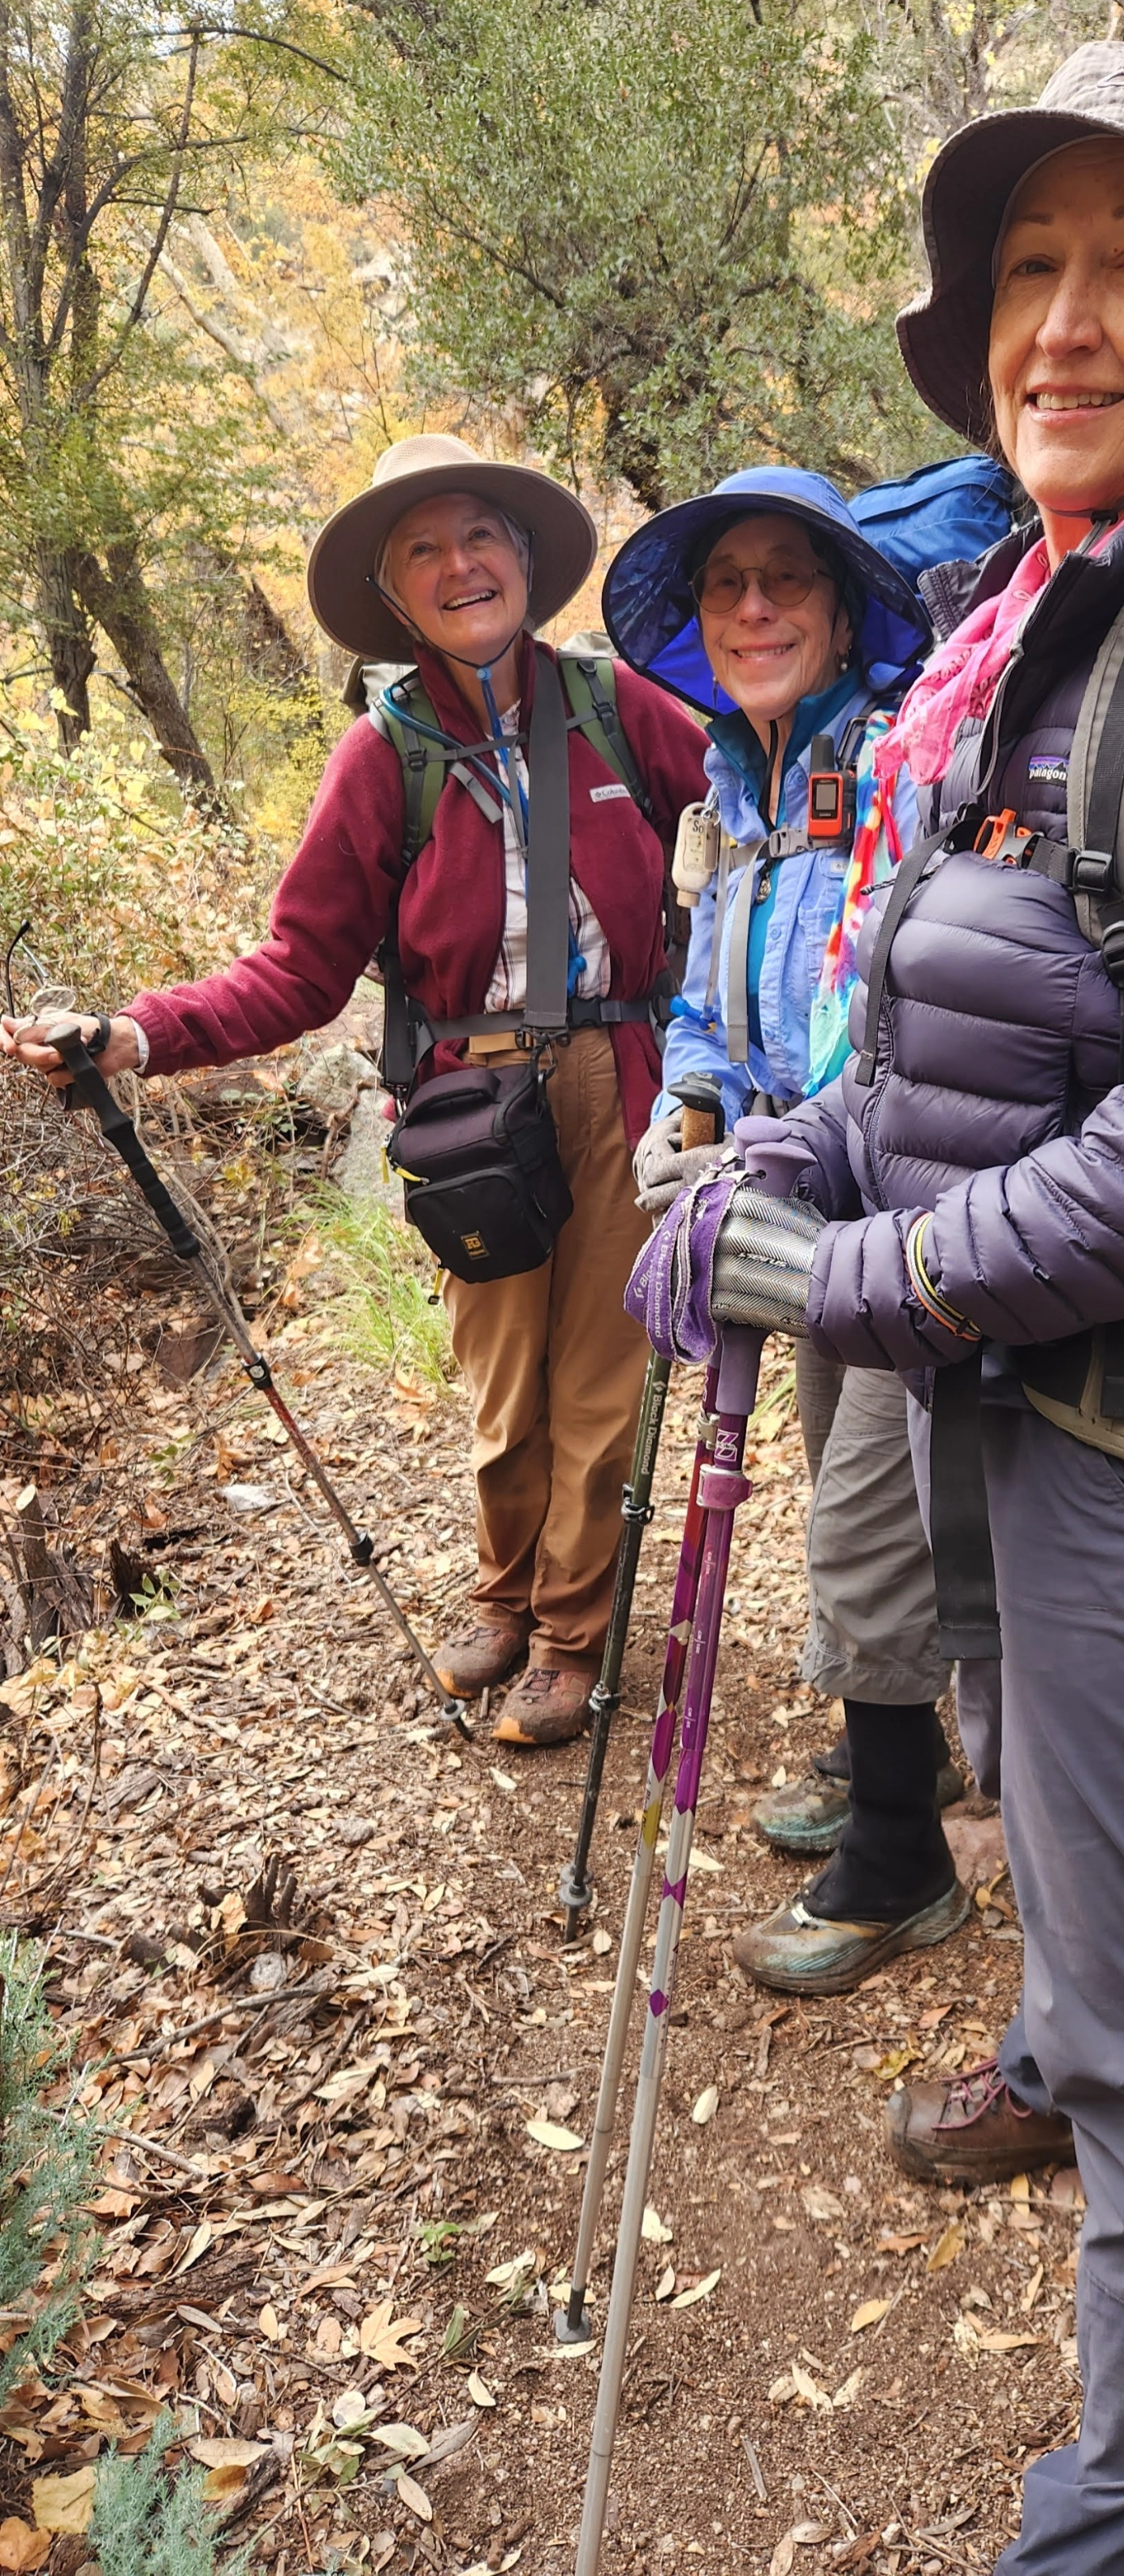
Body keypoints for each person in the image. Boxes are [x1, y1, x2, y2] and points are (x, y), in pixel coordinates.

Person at [628, 37, 1124, 2574]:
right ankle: (1044, 2035)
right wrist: (791, 1156)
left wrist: (849, 1273)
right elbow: (948, 1048)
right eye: (1030, 269)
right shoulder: (1030, 649)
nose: (1065, 321)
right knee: (1060, 1864)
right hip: (1002, 1398)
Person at [2, 435, 708, 1748]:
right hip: (467, 1101)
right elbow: (299, 968)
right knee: (505, 1394)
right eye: (425, 551)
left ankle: (569, 1629)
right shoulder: (382, 759)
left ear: (525, 556)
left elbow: (743, 823)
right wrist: (134, 1037)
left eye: (480, 536)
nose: (460, 566)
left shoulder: (616, 710)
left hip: (621, 1075)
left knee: (603, 1379)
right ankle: (504, 1593)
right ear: (394, 593)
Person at [605, 468, 968, 1992]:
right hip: (784, 1198)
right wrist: (691, 1099)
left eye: (786, 583)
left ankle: (901, 1859)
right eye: (727, 587)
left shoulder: (898, 758)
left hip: (890, 1199)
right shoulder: (731, 791)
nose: (753, 609)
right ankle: (900, 1747)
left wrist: (763, 1153)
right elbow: (707, 990)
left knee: (861, 1513)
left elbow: (879, 1001)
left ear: (839, 611)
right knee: (843, 1472)